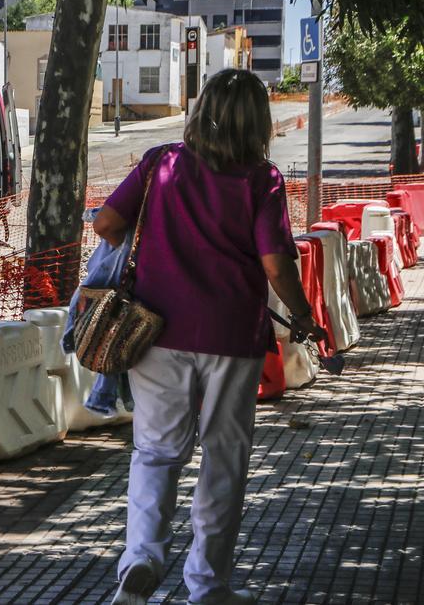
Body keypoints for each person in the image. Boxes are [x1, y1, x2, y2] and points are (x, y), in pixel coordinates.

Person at [93, 69, 326, 605]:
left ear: (201, 112)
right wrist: (303, 314)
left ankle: (141, 562)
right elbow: (275, 263)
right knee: (223, 458)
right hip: (231, 336)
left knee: (155, 454)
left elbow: (106, 223)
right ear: (258, 122)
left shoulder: (160, 163)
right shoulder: (261, 179)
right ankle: (208, 586)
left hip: (154, 331)